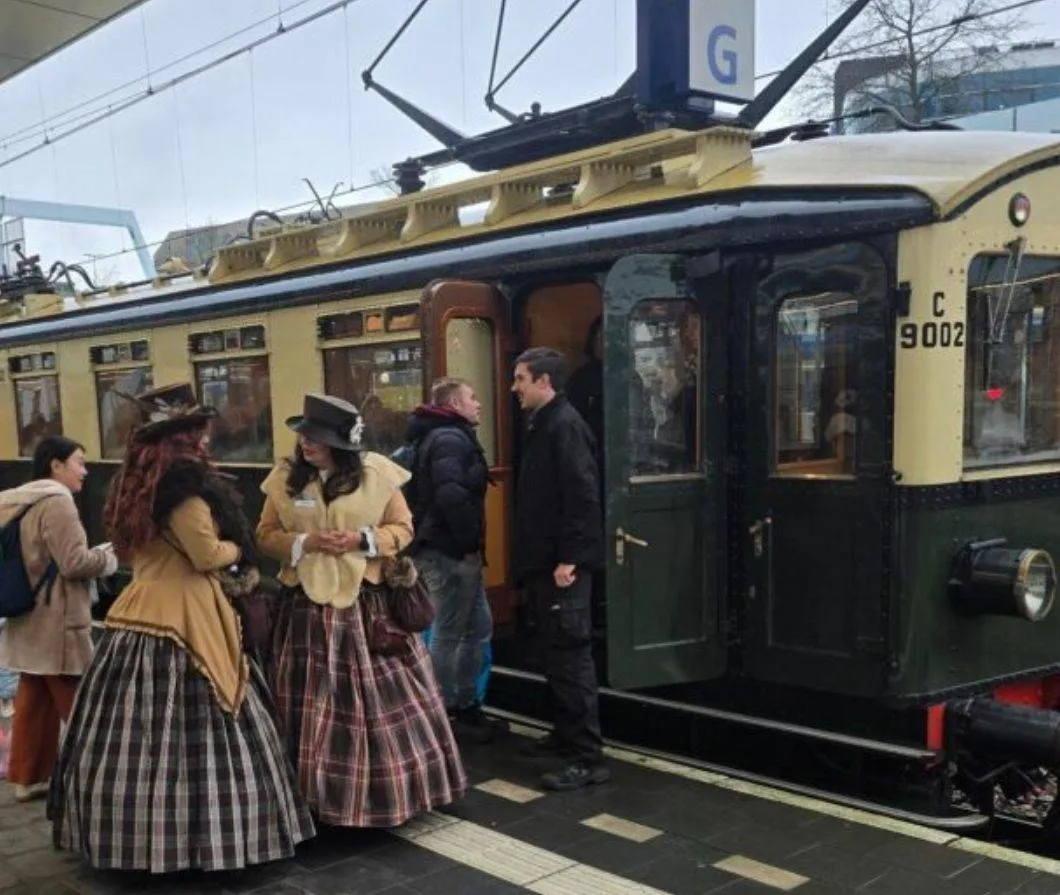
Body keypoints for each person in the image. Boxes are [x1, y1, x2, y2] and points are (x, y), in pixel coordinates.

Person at [49, 383, 314, 873]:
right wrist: (239, 550)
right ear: (181, 440)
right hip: (188, 613)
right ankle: (200, 842)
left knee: (127, 732)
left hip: (138, 607)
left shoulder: (134, 489)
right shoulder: (185, 495)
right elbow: (206, 555)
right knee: (210, 717)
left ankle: (129, 837)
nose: (206, 440)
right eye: (198, 433)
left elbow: (130, 553)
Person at [257, 393, 466, 827]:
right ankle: (311, 797)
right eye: (304, 435)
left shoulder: (377, 474)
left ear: (341, 443)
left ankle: (379, 796)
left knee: (379, 701)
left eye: (316, 437)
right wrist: (304, 543)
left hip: (365, 606)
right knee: (309, 703)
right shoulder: (284, 478)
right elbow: (265, 534)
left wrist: (362, 540)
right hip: (305, 609)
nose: (306, 443)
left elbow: (402, 529)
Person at [510, 347, 608, 791]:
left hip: (561, 568)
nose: (514, 387)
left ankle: (587, 757)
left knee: (570, 656)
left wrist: (570, 558)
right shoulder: (545, 423)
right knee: (554, 653)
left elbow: (582, 496)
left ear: (544, 381)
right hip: (544, 564)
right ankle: (565, 737)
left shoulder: (564, 426)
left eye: (521, 379)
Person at [0, 436, 117, 803]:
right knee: (84, 702)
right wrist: (108, 558)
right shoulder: (57, 503)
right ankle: (102, 779)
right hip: (58, 623)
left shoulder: (19, 500)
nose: (85, 471)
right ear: (56, 465)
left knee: (33, 701)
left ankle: (28, 777)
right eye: (79, 462)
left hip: (28, 618)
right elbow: (75, 563)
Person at [406, 378, 503, 744]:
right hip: (449, 552)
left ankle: (465, 704)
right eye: (472, 398)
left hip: (451, 551)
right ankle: (442, 712)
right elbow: (450, 494)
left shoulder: (444, 435)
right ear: (454, 404)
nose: (478, 404)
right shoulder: (449, 438)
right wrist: (466, 543)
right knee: (448, 632)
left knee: (477, 627)